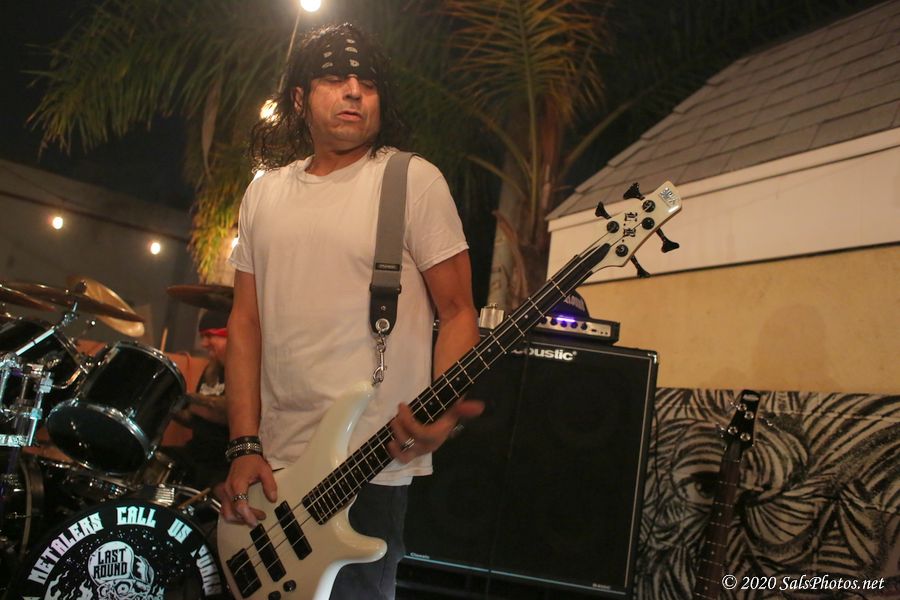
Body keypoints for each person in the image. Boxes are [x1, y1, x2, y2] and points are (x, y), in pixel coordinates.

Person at [220, 22, 483, 599]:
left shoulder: (411, 180)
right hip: (274, 465)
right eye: (335, 78)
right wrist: (244, 444)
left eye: (368, 82)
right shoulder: (264, 193)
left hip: (369, 462)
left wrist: (441, 415)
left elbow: (459, 310)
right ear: (299, 99)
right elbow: (245, 322)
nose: (354, 91)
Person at [167, 309, 231, 490]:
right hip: (195, 454)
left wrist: (189, 399)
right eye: (202, 337)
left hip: (222, 463)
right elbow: (194, 419)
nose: (203, 343)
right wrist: (167, 405)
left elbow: (230, 413)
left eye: (209, 336)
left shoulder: (245, 373)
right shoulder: (211, 370)